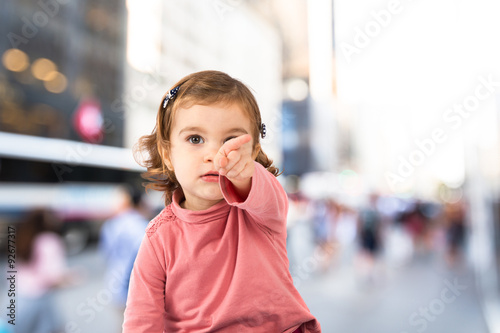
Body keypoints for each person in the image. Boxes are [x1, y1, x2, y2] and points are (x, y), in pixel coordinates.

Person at [123, 70, 321, 333]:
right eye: (195, 139)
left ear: (253, 152)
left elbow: (268, 195)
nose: (216, 155)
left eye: (230, 141)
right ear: (167, 153)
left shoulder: (260, 211)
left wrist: (246, 174)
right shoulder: (158, 237)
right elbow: (141, 319)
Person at [99, 185, 150, 329]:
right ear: (140, 202)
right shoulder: (142, 226)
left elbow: (106, 254)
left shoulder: (110, 224)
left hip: (113, 285)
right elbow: (144, 261)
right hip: (133, 290)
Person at [16, 209, 74, 333]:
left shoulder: (23, 238)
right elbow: (54, 277)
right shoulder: (49, 241)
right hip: (41, 299)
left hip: (20, 298)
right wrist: (73, 278)